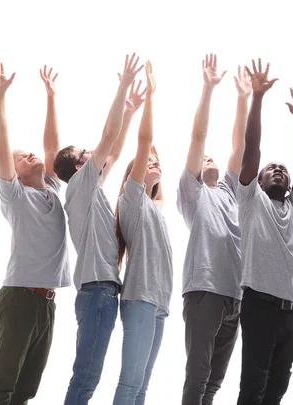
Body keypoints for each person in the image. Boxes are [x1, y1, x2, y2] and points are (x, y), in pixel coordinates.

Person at [53, 53, 145, 405]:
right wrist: (122, 87)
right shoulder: (79, 187)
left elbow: (115, 149)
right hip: (96, 294)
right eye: (86, 152)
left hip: (104, 293)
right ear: (79, 166)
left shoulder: (92, 191)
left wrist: (132, 111)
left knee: (89, 374)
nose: (94, 152)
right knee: (86, 375)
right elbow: (108, 137)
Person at [0, 61, 70, 404]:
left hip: (47, 302)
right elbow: (1, 143)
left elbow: (52, 148)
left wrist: (51, 97)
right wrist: (0, 96)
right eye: (21, 158)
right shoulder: (15, 196)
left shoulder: (50, 187)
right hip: (20, 297)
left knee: (26, 390)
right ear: (14, 173)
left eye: (28, 152)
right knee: (4, 384)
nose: (28, 155)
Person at [236, 59, 293, 405]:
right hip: (259, 305)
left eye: (283, 169)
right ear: (259, 179)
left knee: (277, 390)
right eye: (272, 169)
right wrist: (257, 97)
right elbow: (252, 150)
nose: (279, 170)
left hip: (290, 311)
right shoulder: (251, 199)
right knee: (253, 388)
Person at [177, 54, 250, 405]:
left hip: (235, 296)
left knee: (216, 381)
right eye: (202, 159)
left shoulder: (231, 191)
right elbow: (197, 136)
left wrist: (243, 97)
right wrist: (208, 88)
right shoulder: (192, 193)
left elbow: (240, 145)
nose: (208, 159)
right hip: (204, 291)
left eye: (211, 158)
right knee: (198, 376)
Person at [112, 61, 173, 405]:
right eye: (146, 159)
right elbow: (145, 138)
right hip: (140, 300)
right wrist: (150, 95)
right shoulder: (131, 199)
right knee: (130, 383)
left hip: (160, 303)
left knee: (143, 388)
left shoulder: (156, 207)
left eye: (156, 158)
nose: (153, 159)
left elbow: (160, 195)